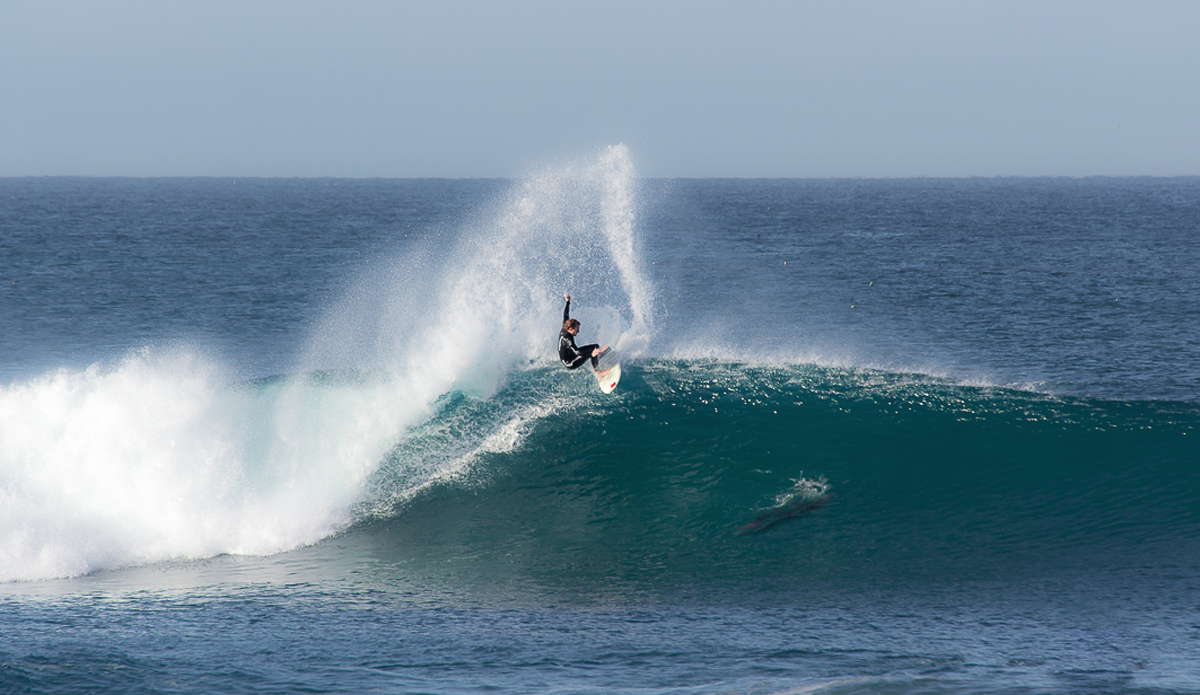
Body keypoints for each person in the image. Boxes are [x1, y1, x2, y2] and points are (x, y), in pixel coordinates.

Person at [558, 293, 608, 370]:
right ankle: (598, 371)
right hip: (570, 362)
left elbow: (565, 314)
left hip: (572, 355)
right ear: (571, 329)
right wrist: (591, 353)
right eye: (577, 329)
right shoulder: (567, 338)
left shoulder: (565, 326)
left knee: (595, 346)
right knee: (592, 352)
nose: (578, 332)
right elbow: (577, 352)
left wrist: (568, 302)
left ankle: (597, 355)